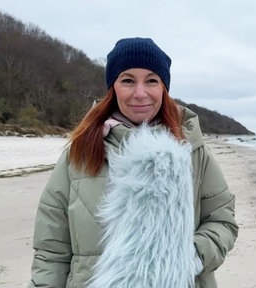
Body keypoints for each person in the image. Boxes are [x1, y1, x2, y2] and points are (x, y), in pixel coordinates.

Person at [28, 37, 238, 288]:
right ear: (113, 87)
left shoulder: (191, 148)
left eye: (152, 80)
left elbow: (222, 220)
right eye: (128, 80)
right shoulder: (81, 152)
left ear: (163, 88)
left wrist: (190, 256)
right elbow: (52, 250)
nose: (140, 93)